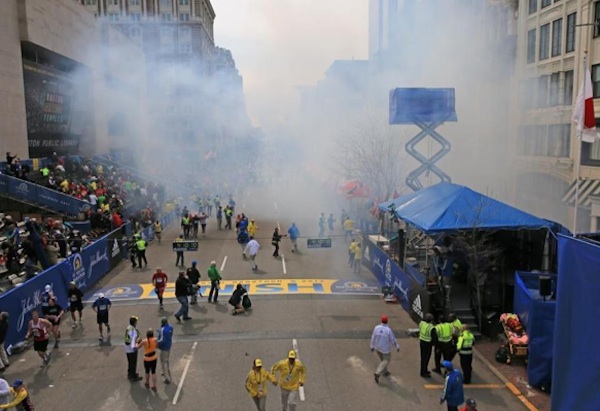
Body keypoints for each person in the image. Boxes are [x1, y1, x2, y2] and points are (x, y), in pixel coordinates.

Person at [370, 314, 400, 383]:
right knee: (386, 360)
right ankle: (378, 372)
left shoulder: (376, 328)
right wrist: (397, 346)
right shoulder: (388, 330)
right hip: (385, 349)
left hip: (377, 348)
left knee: (383, 360)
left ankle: (385, 371)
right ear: (387, 321)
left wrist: (372, 346)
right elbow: (392, 340)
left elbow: (373, 337)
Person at [419, 313, 438, 378]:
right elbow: (435, 338)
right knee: (426, 358)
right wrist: (435, 344)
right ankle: (423, 372)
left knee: (423, 357)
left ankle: (424, 370)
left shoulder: (421, 323)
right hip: (427, 344)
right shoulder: (431, 328)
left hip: (422, 342)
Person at [125, 316, 142, 381]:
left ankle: (130, 373)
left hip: (127, 349)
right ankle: (133, 376)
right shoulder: (132, 330)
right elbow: (131, 341)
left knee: (130, 362)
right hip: (132, 349)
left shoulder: (129, 328)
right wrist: (138, 341)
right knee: (133, 363)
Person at [157, 317, 173, 384]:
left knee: (164, 362)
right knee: (166, 360)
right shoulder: (170, 327)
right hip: (169, 345)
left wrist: (157, 343)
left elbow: (162, 340)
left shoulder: (162, 330)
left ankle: (166, 377)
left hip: (164, 348)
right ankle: (166, 371)